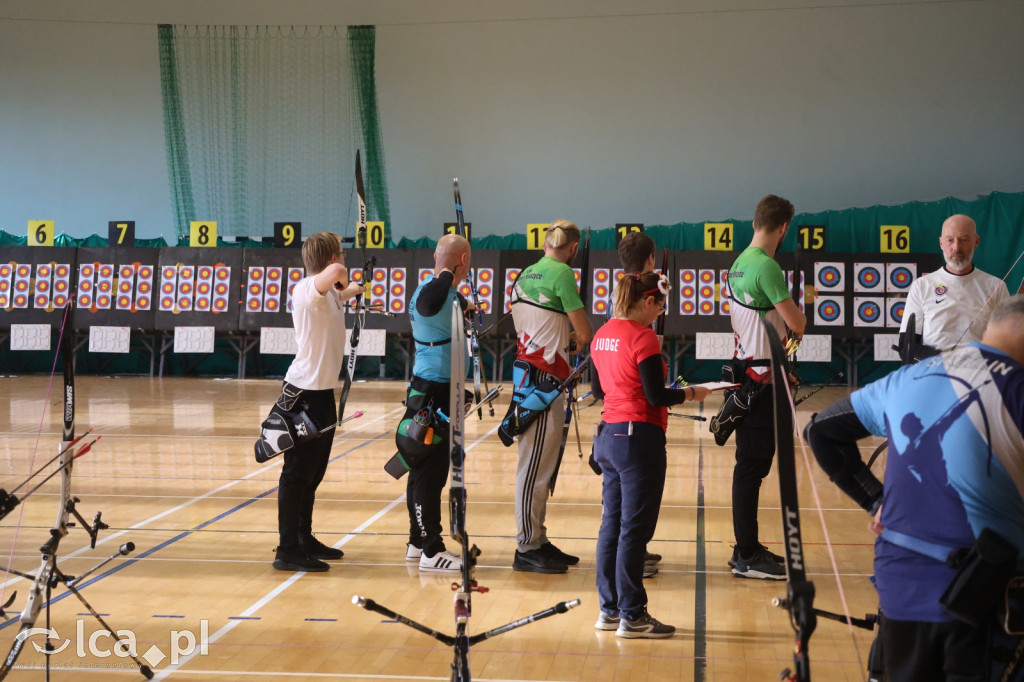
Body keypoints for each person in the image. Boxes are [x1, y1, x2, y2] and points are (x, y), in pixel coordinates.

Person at [804, 295, 1024, 681]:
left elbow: (820, 430)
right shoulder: (1017, 388)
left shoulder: (908, 377)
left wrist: (877, 502)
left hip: (900, 588)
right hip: (987, 601)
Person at [590, 270, 711, 638]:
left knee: (612, 525)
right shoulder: (643, 337)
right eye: (660, 306)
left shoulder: (602, 333)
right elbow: (657, 395)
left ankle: (609, 610)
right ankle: (633, 615)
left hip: (610, 435)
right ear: (647, 301)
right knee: (634, 531)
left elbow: (598, 388)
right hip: (638, 438)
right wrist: (693, 393)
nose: (660, 313)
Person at [265, 232, 364, 572]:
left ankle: (304, 538)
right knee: (296, 473)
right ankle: (287, 548)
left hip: (321, 394)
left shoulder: (328, 295)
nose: (344, 260)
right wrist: (343, 273)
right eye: (340, 253)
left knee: (314, 472)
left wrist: (354, 291)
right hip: (303, 394)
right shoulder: (308, 289)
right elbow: (336, 274)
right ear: (331, 258)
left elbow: (341, 290)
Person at [721, 194, 805, 579]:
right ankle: (746, 553)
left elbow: (760, 325)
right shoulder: (767, 267)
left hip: (750, 373)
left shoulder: (739, 263)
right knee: (752, 468)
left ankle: (747, 548)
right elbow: (797, 324)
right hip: (761, 382)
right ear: (783, 227)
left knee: (749, 466)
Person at [507, 220, 593, 573]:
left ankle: (538, 538)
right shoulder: (562, 274)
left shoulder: (526, 274)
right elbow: (584, 333)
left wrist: (562, 340)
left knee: (541, 464)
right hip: (543, 382)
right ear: (573, 249)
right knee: (534, 469)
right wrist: (571, 340)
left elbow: (534, 326)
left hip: (530, 375)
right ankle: (526, 545)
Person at [397, 234, 472, 573]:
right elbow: (430, 305)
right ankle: (431, 549)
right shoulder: (430, 290)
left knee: (420, 467)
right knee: (430, 471)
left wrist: (464, 305)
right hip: (434, 392)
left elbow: (440, 308)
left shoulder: (440, 291)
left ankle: (417, 541)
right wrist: (449, 271)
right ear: (463, 261)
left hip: (437, 387)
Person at [898, 214, 1009, 362]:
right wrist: (946, 360)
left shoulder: (996, 287)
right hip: (934, 371)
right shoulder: (921, 286)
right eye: (950, 240)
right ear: (941, 243)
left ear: (976, 241)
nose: (956, 247)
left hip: (980, 374)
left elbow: (1008, 340)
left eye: (963, 240)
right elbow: (907, 345)